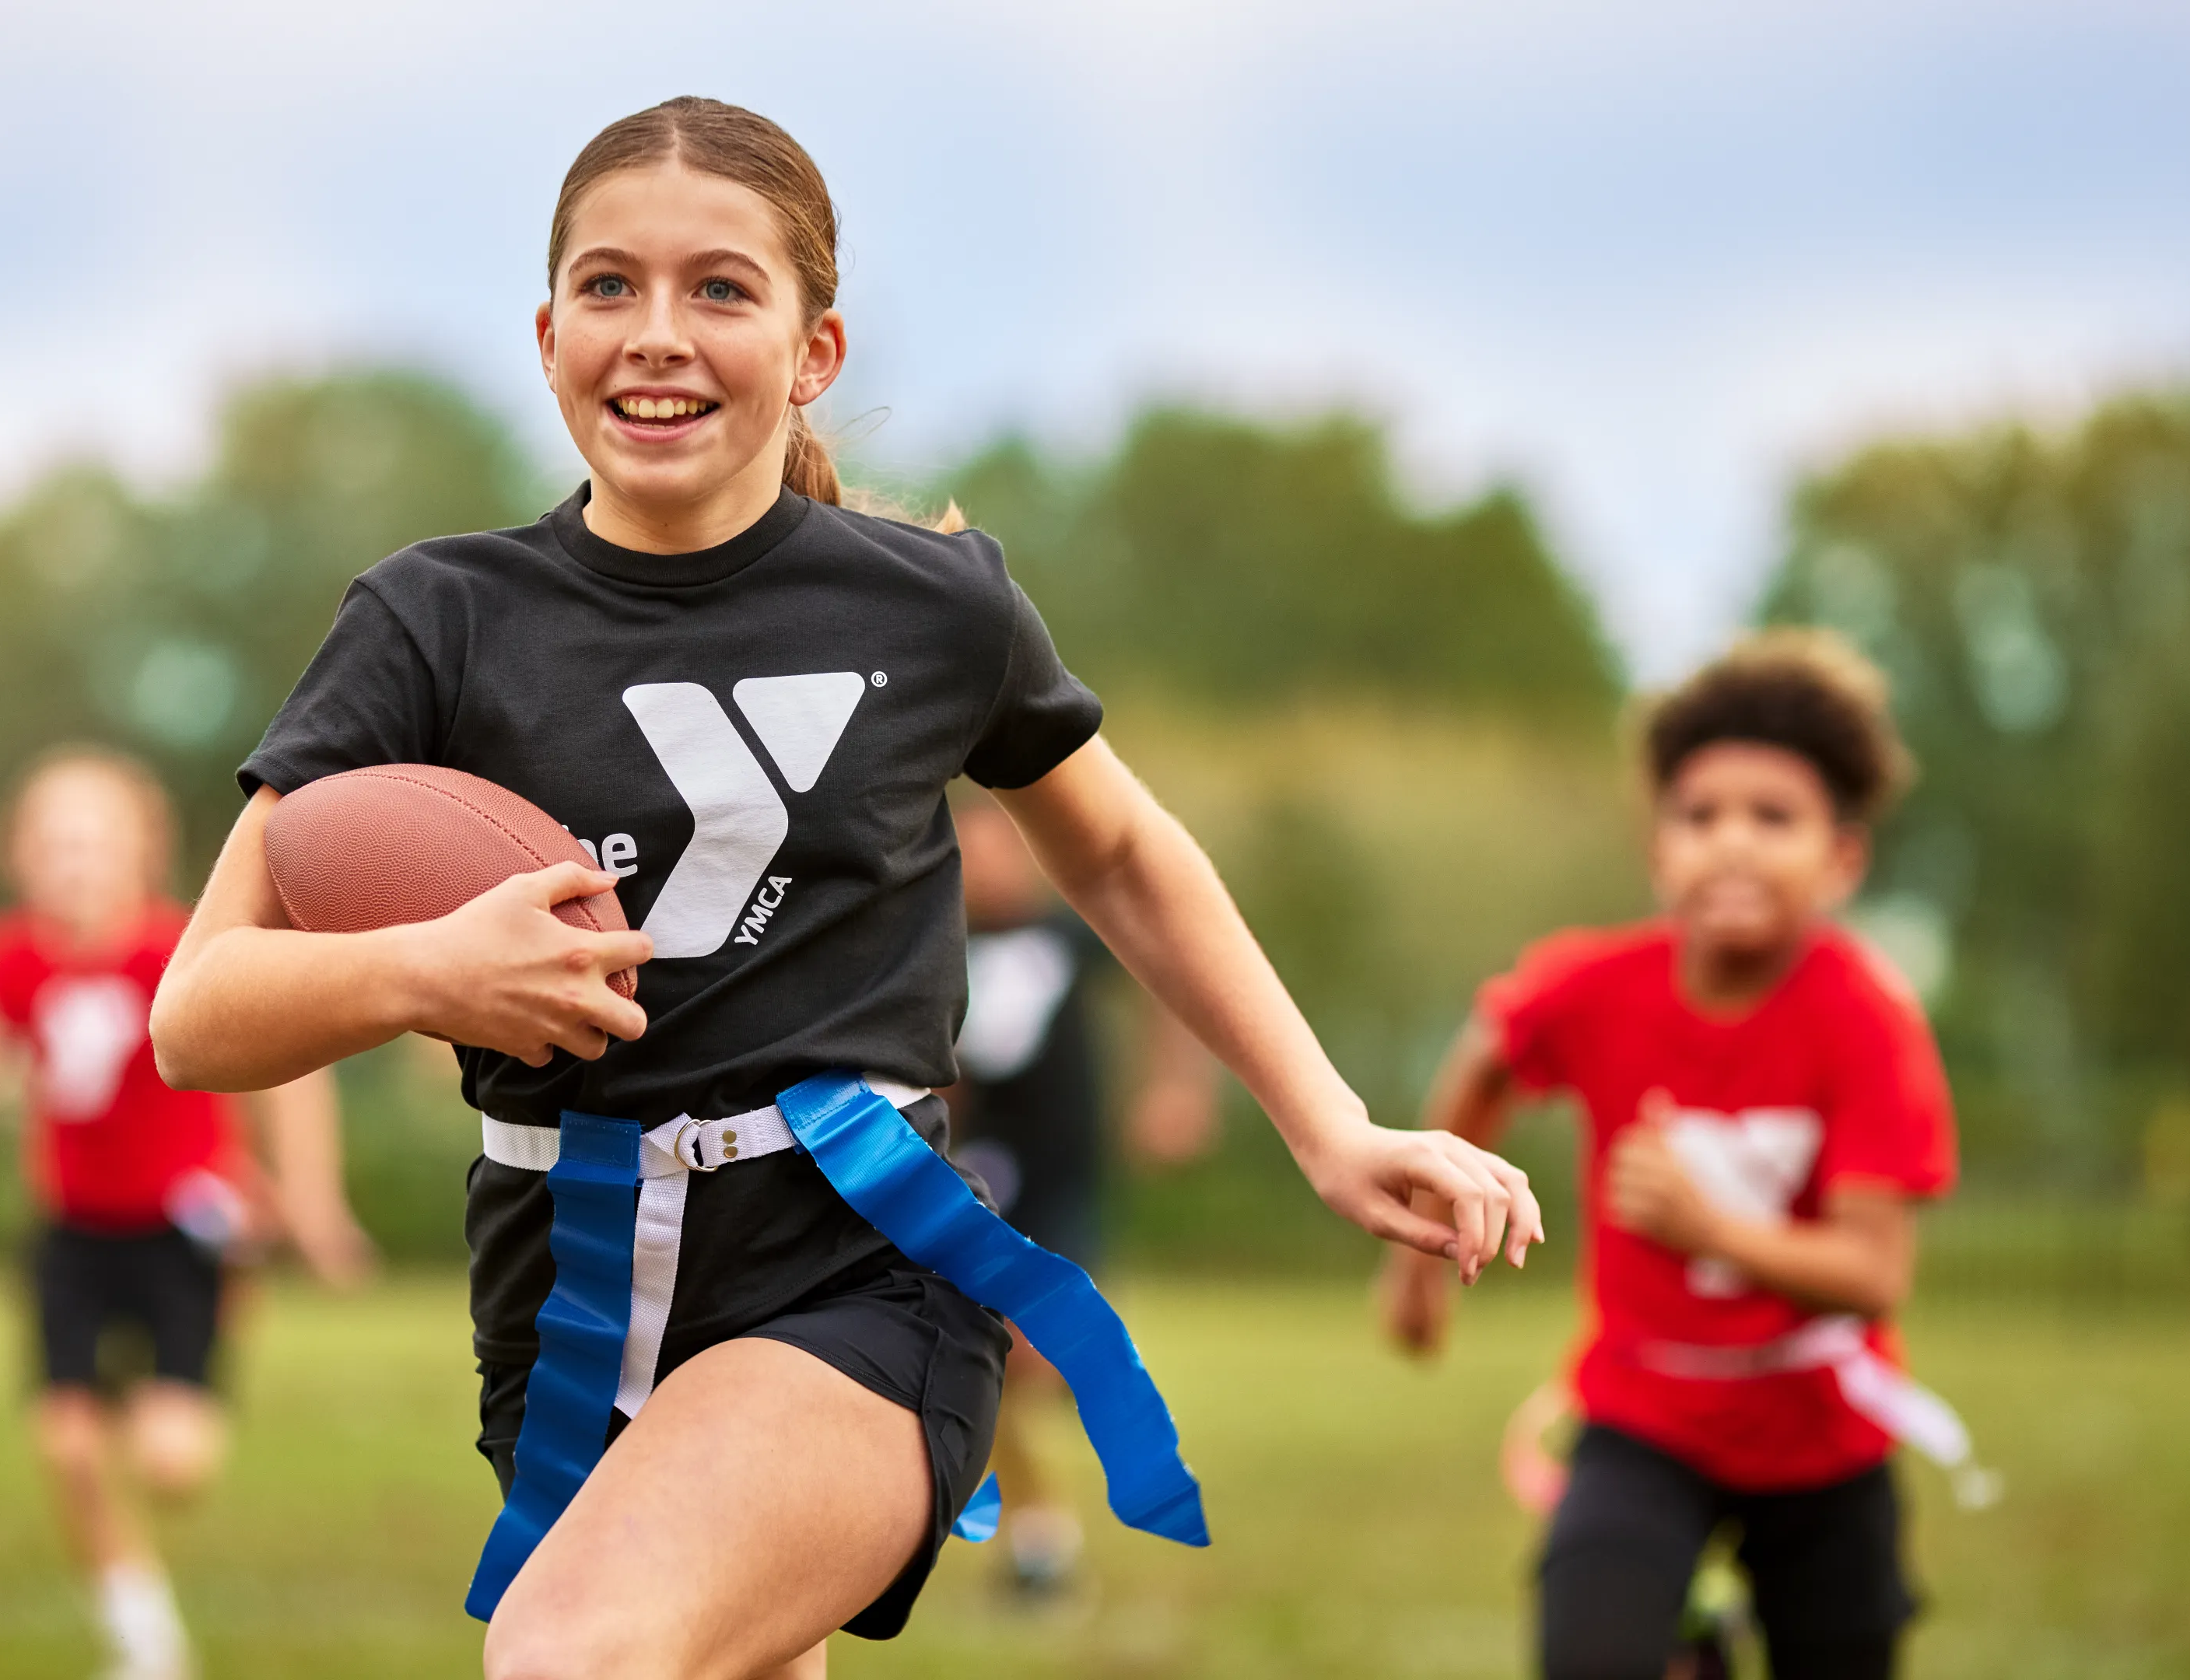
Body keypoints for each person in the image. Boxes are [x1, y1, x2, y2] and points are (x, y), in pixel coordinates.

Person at [149, 96, 1542, 1680]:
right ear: (546, 336)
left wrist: (1330, 1123)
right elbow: (198, 1018)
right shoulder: (430, 623)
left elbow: (1124, 850)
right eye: (609, 288)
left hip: (855, 1264)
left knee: (577, 1657)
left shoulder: (933, 605)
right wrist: (423, 974)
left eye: (721, 290)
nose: (656, 335)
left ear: (815, 349)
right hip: (564, 1285)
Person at [1379, 629, 1961, 1680]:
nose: (1732, 843)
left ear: (1843, 857)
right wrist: (1419, 1257)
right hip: (1645, 1414)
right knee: (1591, 1651)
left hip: (1820, 1435)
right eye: (1700, 817)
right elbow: (1486, 1058)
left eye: (1773, 818)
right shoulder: (1598, 987)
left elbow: (1873, 1276)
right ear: (1659, 851)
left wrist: (1711, 1233)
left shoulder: (1870, 1021)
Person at [0, 746, 372, 1680]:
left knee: (173, 1468)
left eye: (94, 841)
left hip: (183, 1234)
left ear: (145, 850)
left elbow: (295, 1076)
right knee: (70, 1447)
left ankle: (170, 1377)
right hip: (73, 1235)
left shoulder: (184, 949)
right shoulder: (4, 959)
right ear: (19, 857)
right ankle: (143, 1641)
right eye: (53, 844)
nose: (73, 862)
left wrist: (314, 1203)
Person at [944, 790, 1218, 1596]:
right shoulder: (940, 948)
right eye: (966, 848)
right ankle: (1039, 1537)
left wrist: (1176, 1089)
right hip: (984, 1178)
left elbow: (1169, 974)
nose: (981, 863)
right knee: (982, 1359)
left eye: (994, 844)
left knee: (1035, 1366)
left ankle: (1096, 1423)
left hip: (1067, 1180)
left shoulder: (1068, 936)